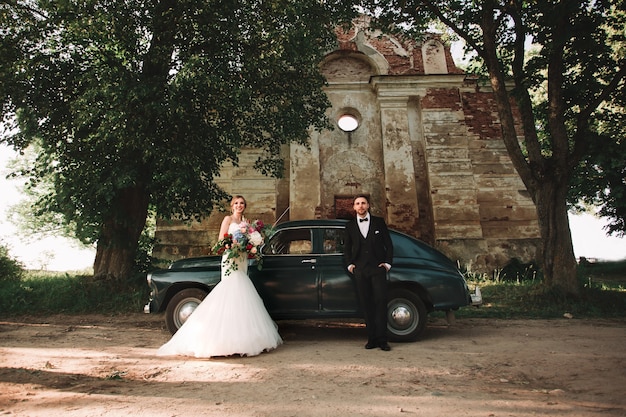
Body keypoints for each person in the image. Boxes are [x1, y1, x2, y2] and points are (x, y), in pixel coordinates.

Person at [157, 195, 282, 358]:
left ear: (245, 206)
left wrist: (249, 245)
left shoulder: (247, 222)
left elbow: (251, 240)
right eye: (236, 203)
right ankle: (223, 339)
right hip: (230, 259)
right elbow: (221, 241)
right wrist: (234, 245)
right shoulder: (228, 220)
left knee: (242, 295)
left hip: (242, 259)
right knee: (231, 290)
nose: (239, 205)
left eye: (242, 203)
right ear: (231, 206)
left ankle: (244, 338)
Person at [343, 194, 393, 351]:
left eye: (363, 203)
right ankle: (371, 339)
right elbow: (346, 248)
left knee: (380, 302)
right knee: (366, 304)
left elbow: (389, 245)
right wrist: (351, 266)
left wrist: (387, 264)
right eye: (357, 203)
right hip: (360, 270)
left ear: (368, 205)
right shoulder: (350, 226)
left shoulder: (379, 222)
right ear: (354, 207)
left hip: (377, 269)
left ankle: (383, 340)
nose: (360, 206)